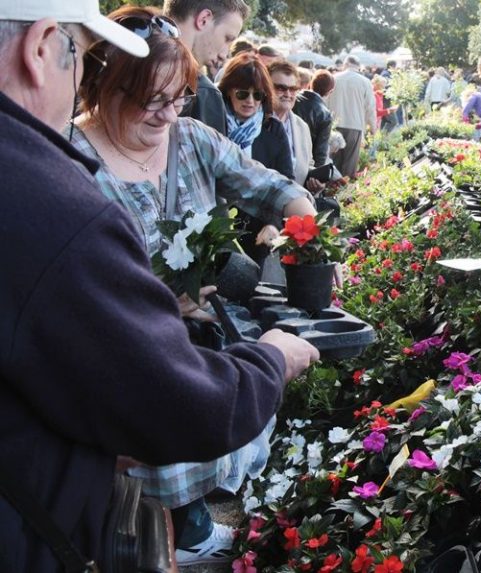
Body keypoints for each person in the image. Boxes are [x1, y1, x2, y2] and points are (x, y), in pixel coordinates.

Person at [0, 1, 320, 570]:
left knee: (160, 520)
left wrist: (301, 232)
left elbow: (273, 189)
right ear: (103, 84)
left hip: (189, 358)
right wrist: (271, 359)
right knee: (137, 508)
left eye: (179, 100)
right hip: (136, 372)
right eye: (152, 100)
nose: (168, 115)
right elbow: (164, 396)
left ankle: (177, 538)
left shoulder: (195, 141)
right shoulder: (65, 170)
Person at [164, 0, 249, 135]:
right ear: (204, 19)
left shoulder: (125, 59)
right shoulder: (205, 94)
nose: (224, 54)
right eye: (227, 38)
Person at [218, 52, 293, 179]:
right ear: (229, 91)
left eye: (257, 95)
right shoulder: (214, 123)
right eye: (242, 94)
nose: (250, 101)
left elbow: (287, 179)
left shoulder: (274, 129)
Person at [269, 60, 321, 192]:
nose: (288, 94)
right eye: (281, 88)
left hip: (294, 205)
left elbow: (308, 163)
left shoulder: (301, 126)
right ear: (267, 87)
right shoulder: (254, 123)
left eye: (293, 89)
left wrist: (316, 181)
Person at [326, 55, 377, 178]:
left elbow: (324, 101)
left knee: (334, 160)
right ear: (358, 67)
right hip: (355, 125)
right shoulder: (365, 82)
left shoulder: (334, 78)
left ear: (345, 65)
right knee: (350, 163)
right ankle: (345, 192)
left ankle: (332, 189)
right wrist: (373, 127)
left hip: (334, 124)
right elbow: (370, 107)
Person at [293, 69, 335, 169]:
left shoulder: (293, 99)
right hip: (304, 163)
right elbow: (320, 151)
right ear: (330, 91)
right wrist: (316, 174)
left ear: (311, 83)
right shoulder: (325, 114)